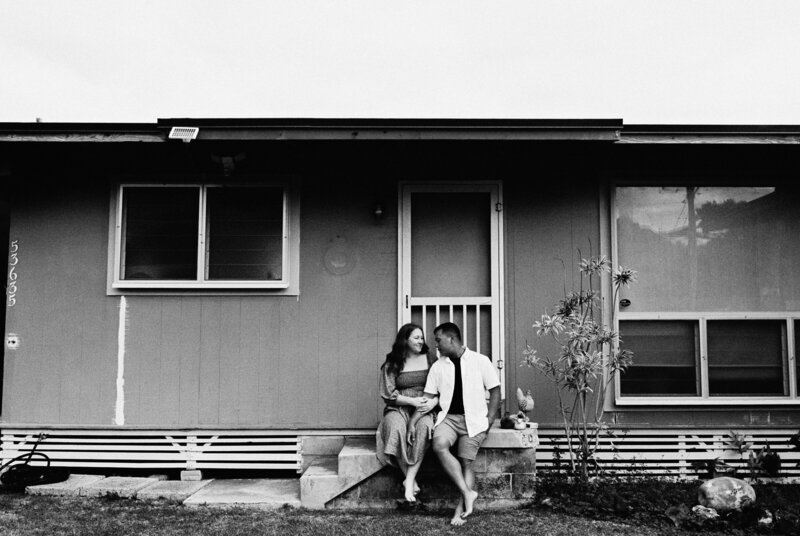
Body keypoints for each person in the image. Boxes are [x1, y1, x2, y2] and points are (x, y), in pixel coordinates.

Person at [423, 322, 501, 526]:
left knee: (466, 461)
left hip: (474, 420)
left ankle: (460, 512)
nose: (436, 345)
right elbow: (428, 397)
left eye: (438, 340)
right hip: (448, 418)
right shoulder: (438, 366)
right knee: (439, 445)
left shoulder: (480, 361)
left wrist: (490, 419)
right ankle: (468, 493)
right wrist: (414, 418)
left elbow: (495, 391)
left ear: (452, 339)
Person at [377, 323, 438, 503]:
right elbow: (388, 394)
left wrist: (432, 402)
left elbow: (444, 384)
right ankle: (410, 479)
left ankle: (409, 481)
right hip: (399, 406)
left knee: (425, 428)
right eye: (416, 338)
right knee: (394, 428)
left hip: (424, 408)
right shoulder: (393, 362)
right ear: (405, 340)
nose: (421, 341)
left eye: (422, 337)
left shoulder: (430, 358)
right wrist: (411, 401)